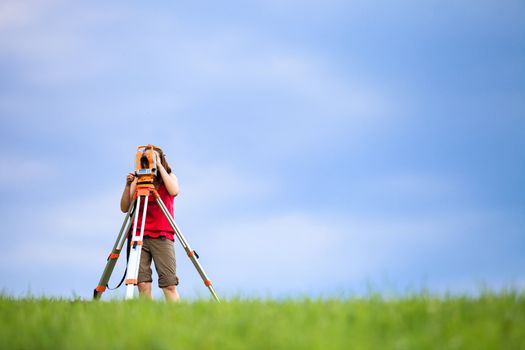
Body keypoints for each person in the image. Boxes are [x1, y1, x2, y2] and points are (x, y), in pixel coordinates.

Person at [120, 146, 180, 302]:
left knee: (169, 285)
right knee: (143, 285)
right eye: (145, 158)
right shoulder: (138, 181)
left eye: (152, 157)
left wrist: (159, 166)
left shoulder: (170, 176)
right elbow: (124, 208)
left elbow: (174, 191)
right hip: (139, 235)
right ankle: (148, 318)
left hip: (162, 234)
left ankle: (178, 318)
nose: (148, 160)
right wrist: (128, 185)